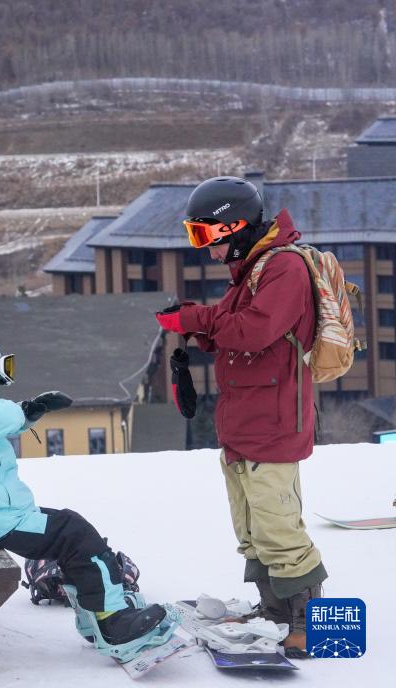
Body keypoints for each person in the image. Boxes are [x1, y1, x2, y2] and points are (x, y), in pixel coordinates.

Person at [0, 328, 171, 654]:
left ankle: (95, 618)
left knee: (70, 531)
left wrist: (28, 412)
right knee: (74, 534)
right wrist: (28, 409)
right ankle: (113, 621)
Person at [155, 176, 326, 658]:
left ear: (236, 226)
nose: (205, 248)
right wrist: (195, 323)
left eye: (207, 235)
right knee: (251, 529)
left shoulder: (284, 267)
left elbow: (255, 331)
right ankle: (274, 610)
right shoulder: (252, 269)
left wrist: (196, 320)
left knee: (279, 529)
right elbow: (235, 334)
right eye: (196, 236)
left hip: (273, 423)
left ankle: (307, 622)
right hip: (244, 423)